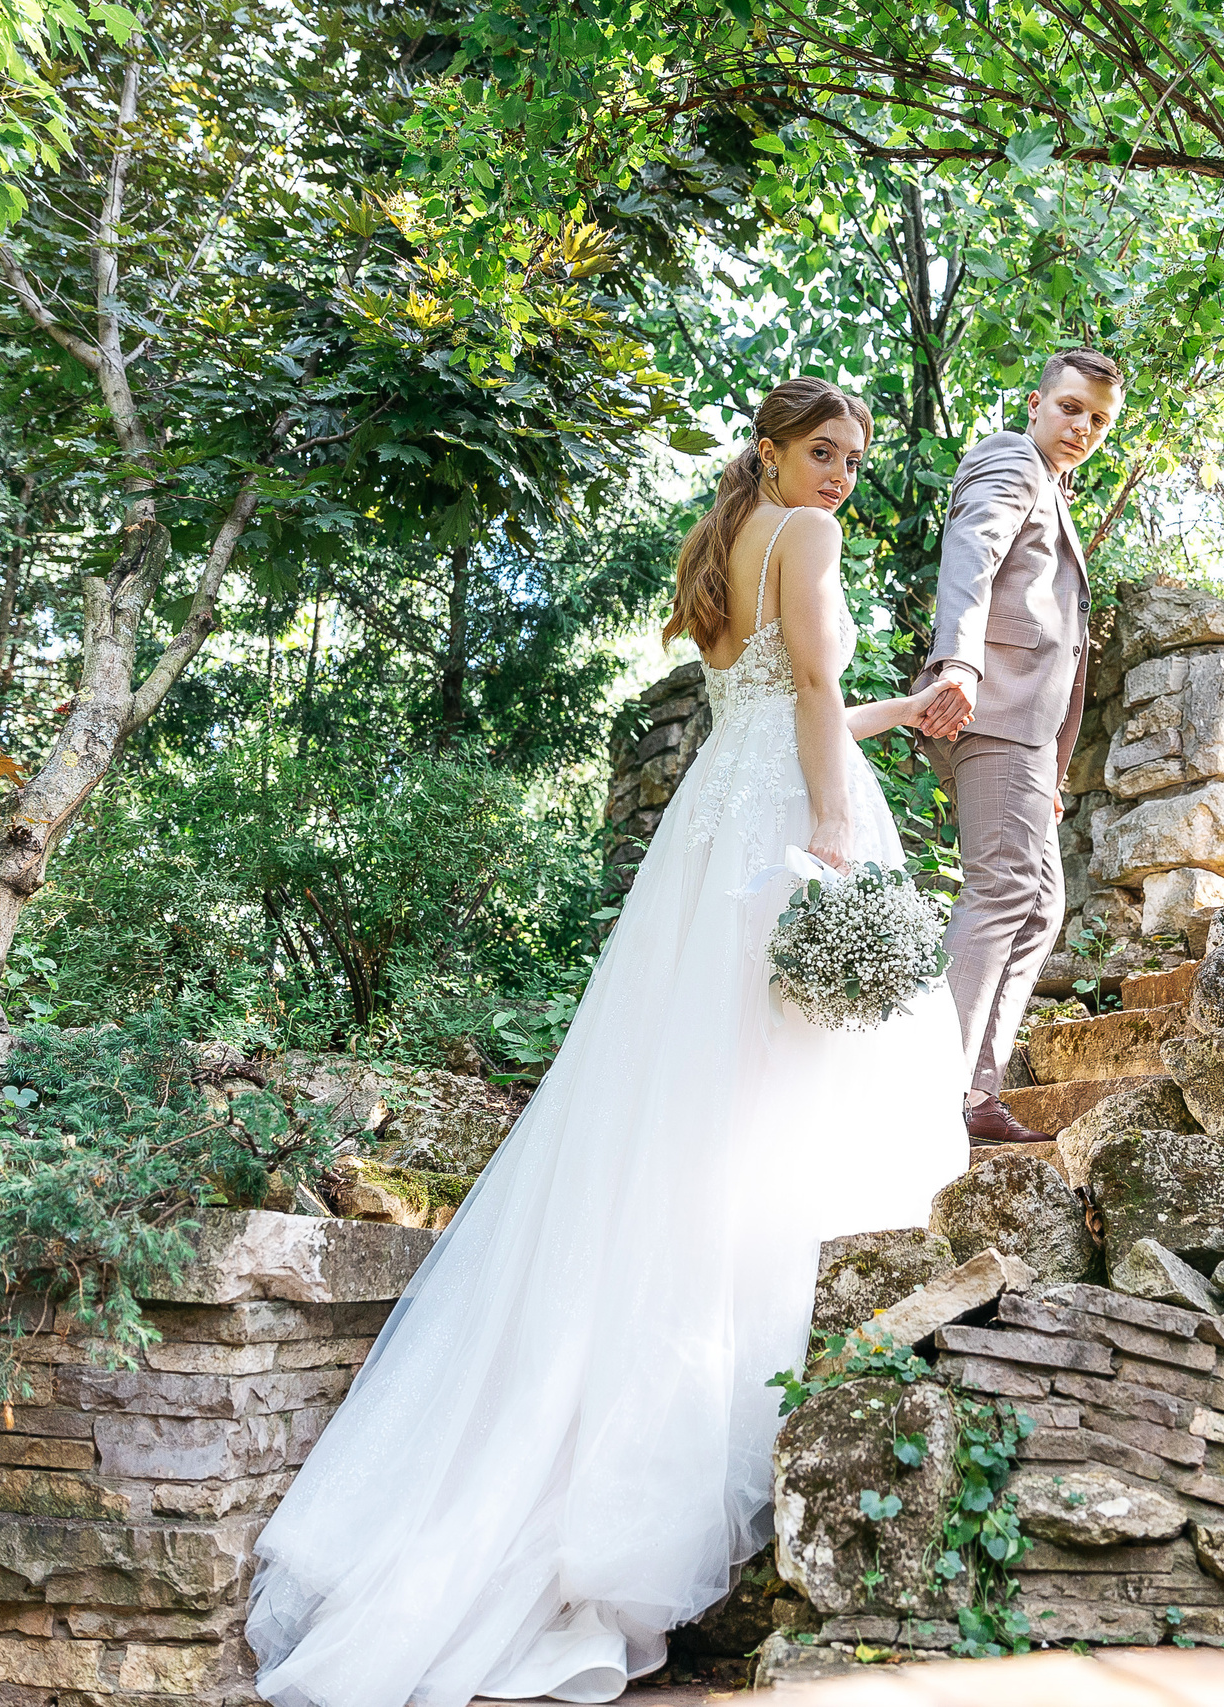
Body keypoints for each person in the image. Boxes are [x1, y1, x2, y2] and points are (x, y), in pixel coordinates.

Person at [248, 377, 972, 1707]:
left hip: (724, 808)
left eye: (856, 461)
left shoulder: (730, 543)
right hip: (788, 814)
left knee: (695, 1092)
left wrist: (888, 720)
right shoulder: (802, 537)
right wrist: (831, 830)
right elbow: (811, 686)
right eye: (825, 453)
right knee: (790, 1080)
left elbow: (779, 698)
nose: (843, 480)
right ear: (772, 446)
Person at [914, 349, 1127, 1144]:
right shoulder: (1012, 459)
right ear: (1036, 403)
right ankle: (932, 1096)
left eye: (1099, 420)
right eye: (1072, 408)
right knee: (1003, 891)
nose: (1083, 427)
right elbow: (971, 555)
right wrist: (959, 661)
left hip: (1030, 736)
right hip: (995, 708)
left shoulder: (1055, 487)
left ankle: (974, 1093)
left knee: (1041, 904)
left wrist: (1054, 771)